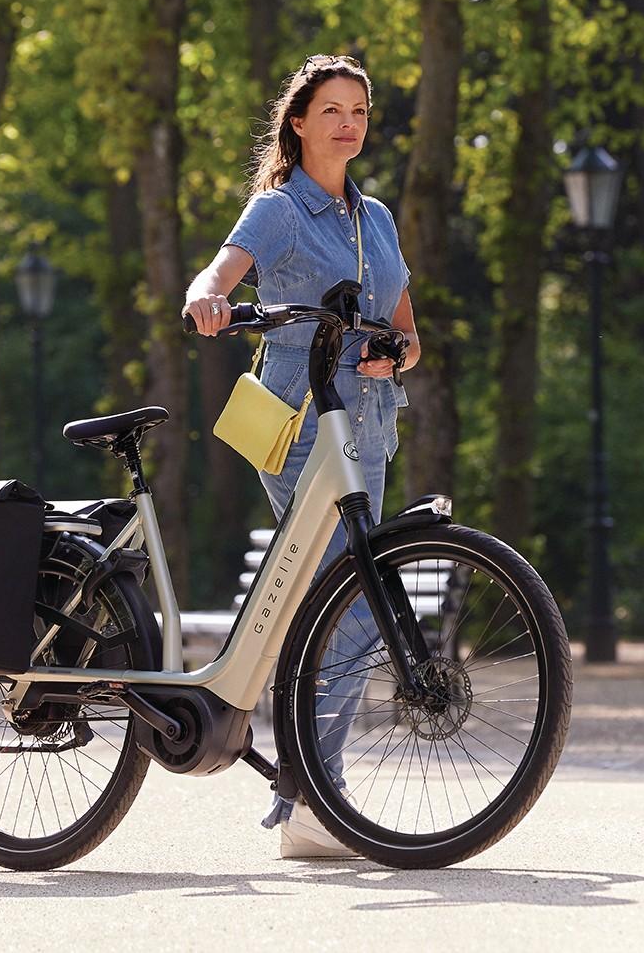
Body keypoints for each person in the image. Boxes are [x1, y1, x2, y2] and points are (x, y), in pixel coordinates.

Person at [183, 54, 421, 858]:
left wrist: (398, 353)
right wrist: (208, 298)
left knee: (346, 602)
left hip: (370, 423)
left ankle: (307, 791)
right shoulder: (280, 209)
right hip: (295, 418)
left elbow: (409, 334)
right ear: (298, 121)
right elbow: (218, 271)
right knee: (350, 604)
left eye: (359, 110)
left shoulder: (377, 218)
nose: (348, 123)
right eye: (332, 110)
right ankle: (316, 799)